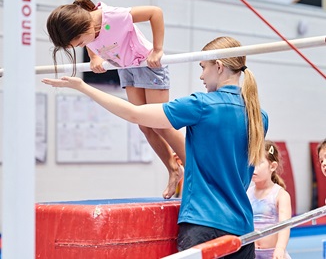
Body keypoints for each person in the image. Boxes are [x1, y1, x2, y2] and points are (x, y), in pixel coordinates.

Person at [42, 36, 269, 258]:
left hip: (204, 224)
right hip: (242, 228)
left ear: (218, 66)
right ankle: (173, 168)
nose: (201, 75)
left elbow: (135, 114)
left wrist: (84, 87)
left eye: (203, 67)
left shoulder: (202, 105)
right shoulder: (259, 117)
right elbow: (215, 159)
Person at [46, 0, 185, 199]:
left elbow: (155, 12)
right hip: (127, 69)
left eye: (80, 43)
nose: (83, 45)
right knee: (144, 125)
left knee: (160, 124)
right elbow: (90, 41)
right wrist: (94, 57)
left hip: (148, 65)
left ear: (84, 27)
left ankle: (193, 169)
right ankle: (173, 169)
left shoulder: (113, 16)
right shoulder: (87, 29)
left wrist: (157, 49)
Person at [247, 140, 292, 259]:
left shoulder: (280, 195)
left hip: (274, 254)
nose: (253, 168)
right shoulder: (247, 193)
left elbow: (285, 225)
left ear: (272, 166)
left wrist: (280, 248)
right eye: (251, 162)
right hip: (252, 253)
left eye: (258, 163)